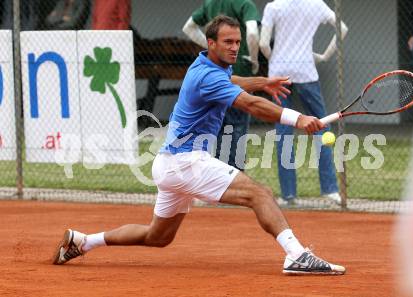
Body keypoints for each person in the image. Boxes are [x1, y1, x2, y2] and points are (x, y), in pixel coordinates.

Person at [52, 15, 345, 275]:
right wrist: (299, 119)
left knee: (158, 236)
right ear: (211, 42)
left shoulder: (207, 64)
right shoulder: (208, 76)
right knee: (260, 194)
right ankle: (297, 255)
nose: (234, 47)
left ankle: (83, 241)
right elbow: (251, 105)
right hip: (186, 161)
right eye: (228, 42)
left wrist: (262, 81)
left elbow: (235, 81)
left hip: (169, 164)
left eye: (238, 42)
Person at [259, 0, 348, 206]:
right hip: (306, 71)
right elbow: (342, 29)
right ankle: (330, 190)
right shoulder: (316, 4)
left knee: (283, 132)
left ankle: (289, 195)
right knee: (320, 126)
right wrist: (324, 56)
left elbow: (263, 44)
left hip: (279, 76)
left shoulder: (274, 7)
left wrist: (276, 61)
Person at [182, 0, 260, 170]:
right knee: (237, 131)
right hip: (239, 73)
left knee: (217, 131)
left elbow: (188, 27)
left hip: (216, 76)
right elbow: (253, 33)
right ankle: (234, 178)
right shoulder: (245, 4)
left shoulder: (210, 3)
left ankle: (219, 178)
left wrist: (214, 48)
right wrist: (253, 59)